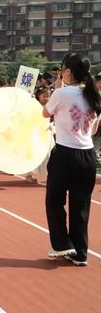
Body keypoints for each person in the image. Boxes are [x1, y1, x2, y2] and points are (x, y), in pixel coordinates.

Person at [43, 53, 101, 266]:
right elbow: (94, 129)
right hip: (87, 155)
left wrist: (58, 87)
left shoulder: (61, 93)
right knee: (81, 206)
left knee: (54, 200)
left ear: (67, 71)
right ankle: (80, 254)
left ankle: (62, 243)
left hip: (65, 154)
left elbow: (44, 113)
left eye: (61, 70)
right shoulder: (94, 95)